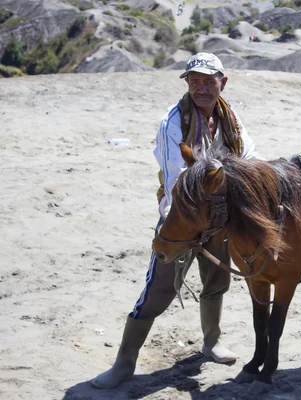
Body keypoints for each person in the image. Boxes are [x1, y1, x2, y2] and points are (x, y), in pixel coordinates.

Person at [92, 52, 261, 389]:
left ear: (222, 83)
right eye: (194, 81)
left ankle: (211, 341)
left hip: (217, 219)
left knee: (217, 282)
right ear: (187, 84)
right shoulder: (173, 122)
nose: (201, 88)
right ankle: (124, 363)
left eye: (208, 81)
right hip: (181, 220)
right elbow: (177, 179)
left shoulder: (231, 119)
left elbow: (248, 159)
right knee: (158, 291)